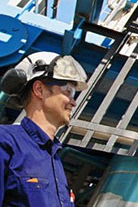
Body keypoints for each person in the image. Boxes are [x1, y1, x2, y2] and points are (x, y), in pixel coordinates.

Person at [0, 51, 88, 206]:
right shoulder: (6, 141)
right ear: (39, 89)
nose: (73, 102)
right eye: (68, 91)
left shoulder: (54, 160)